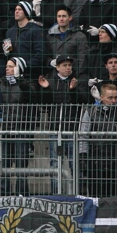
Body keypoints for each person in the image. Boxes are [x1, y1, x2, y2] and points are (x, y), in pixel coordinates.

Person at [38, 55, 88, 194]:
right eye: (64, 65)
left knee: (74, 164)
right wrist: (46, 89)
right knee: (55, 163)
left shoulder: (77, 81)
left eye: (69, 65)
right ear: (57, 67)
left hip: (72, 130)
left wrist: (74, 90)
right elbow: (44, 105)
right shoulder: (51, 82)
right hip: (56, 129)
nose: (68, 68)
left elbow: (84, 100)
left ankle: (78, 193)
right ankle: (56, 193)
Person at [79, 83, 117, 197]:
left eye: (115, 97)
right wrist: (83, 155)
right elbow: (83, 136)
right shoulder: (91, 111)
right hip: (95, 160)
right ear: (101, 97)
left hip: (116, 161)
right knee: (95, 196)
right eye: (110, 98)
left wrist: (116, 114)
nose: (113, 101)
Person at [0, 57, 37, 196]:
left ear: (19, 68)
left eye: (11, 66)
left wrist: (19, 80)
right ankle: (4, 195)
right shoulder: (1, 83)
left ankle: (22, 195)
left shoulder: (28, 83)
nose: (7, 68)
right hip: (6, 129)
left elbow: (31, 95)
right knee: (5, 166)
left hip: (22, 129)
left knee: (21, 166)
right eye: (6, 66)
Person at [3, 1, 44, 78]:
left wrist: (24, 65)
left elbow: (40, 53)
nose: (16, 11)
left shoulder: (36, 30)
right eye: (15, 9)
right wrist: (6, 53)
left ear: (26, 12)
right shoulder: (10, 31)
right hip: (12, 74)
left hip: (30, 74)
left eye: (20, 9)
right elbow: (7, 54)